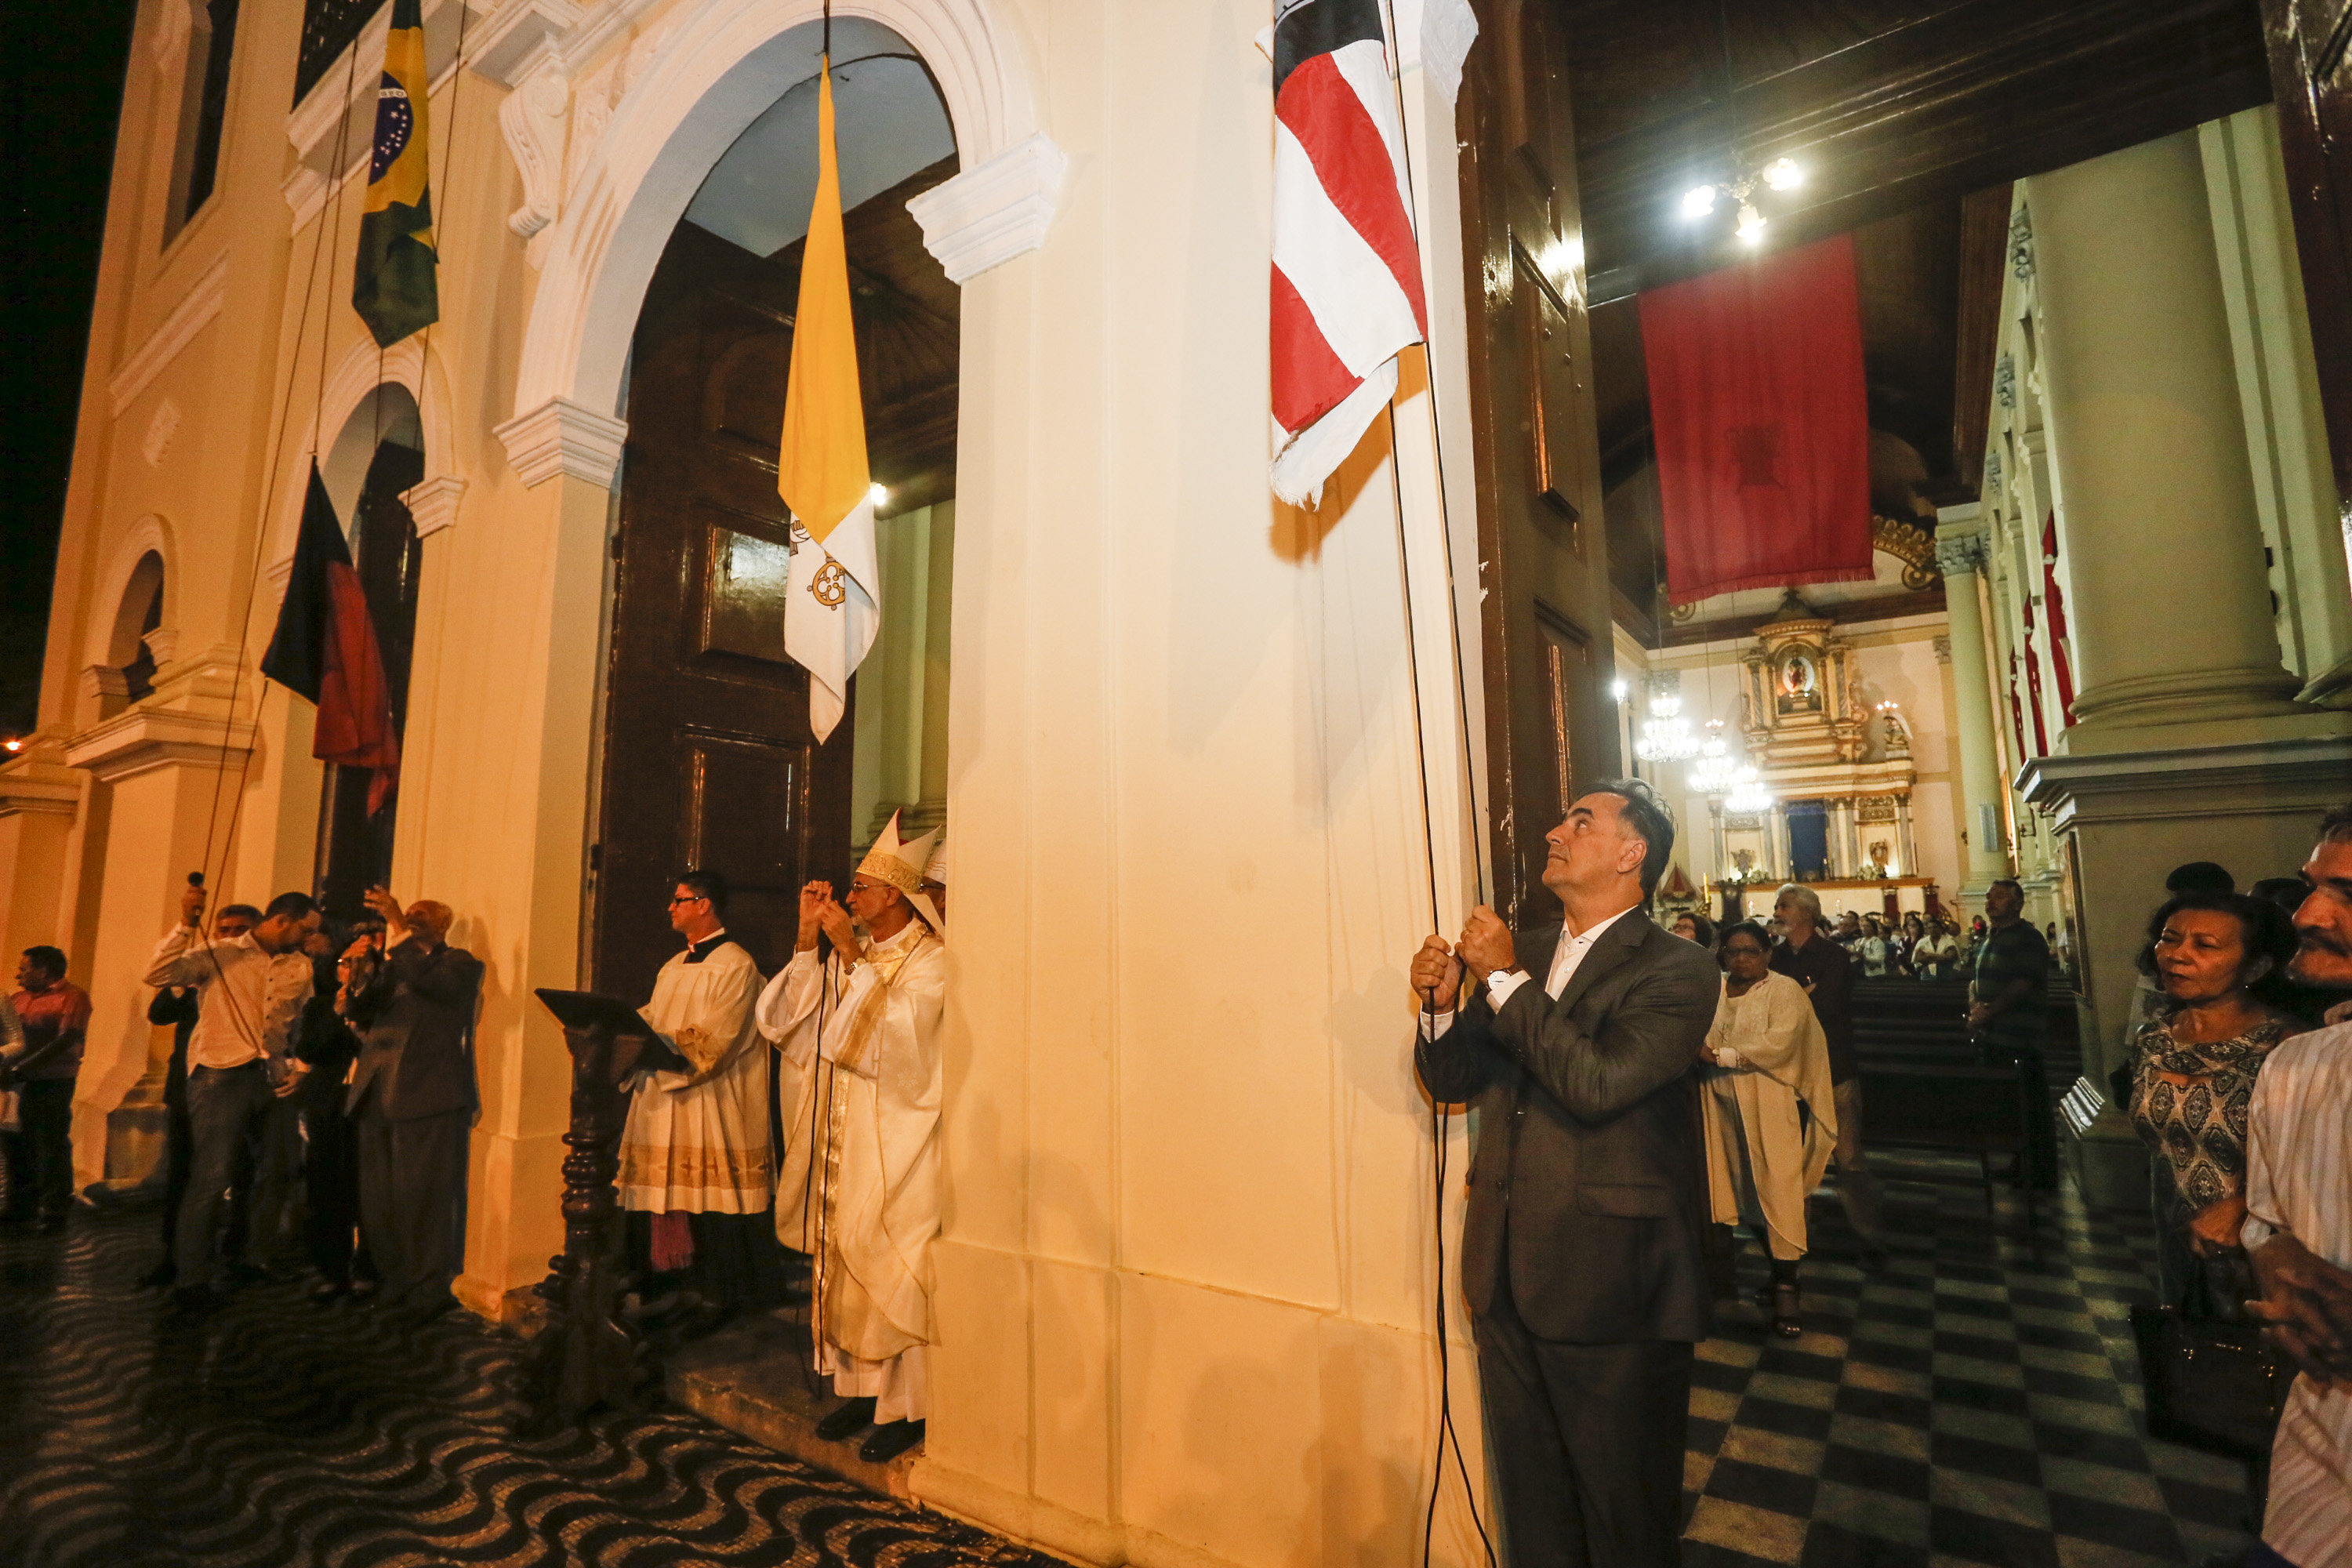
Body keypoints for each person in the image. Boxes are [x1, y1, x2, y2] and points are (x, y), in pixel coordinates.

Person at [1408, 779, 1716, 1568]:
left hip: (1613, 1283)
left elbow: (1598, 1084)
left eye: (1581, 820)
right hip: (1506, 1270)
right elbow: (1455, 1079)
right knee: (1535, 1507)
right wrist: (1442, 1004)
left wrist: (1504, 981)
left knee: (1624, 1513)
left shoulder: (1679, 969)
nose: (1555, 830)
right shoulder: (1532, 951)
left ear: (1630, 852)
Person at [757, 814, 946, 1465]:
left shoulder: (934, 962)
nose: (851, 897)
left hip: (900, 1139)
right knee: (841, 1251)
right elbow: (790, 1024)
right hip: (844, 1136)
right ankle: (861, 1393)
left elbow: (902, 1044)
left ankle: (907, 1409)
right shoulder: (854, 957)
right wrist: (811, 939)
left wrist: (854, 957)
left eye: (861, 887)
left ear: (895, 894)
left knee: (890, 1258)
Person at [2241, 805, 2352, 1567]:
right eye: (2314, 887)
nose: (2308, 914)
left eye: (2345, 893)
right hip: (2316, 1467)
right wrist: (2275, 1254)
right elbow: (2262, 1216)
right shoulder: (2296, 1067)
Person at [2121, 891, 2299, 1319]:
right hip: (2176, 1234)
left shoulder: (2286, 1045)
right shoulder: (2155, 1038)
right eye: (2171, 939)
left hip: (2264, 1241)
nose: (2178, 955)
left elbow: (2315, 1161)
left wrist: (2242, 1208)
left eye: (2205, 945)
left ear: (2255, 966)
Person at [141, 887, 319, 1309]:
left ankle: (254, 1258)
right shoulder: (221, 952)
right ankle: (192, 1279)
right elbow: (158, 974)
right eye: (307, 929)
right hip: (221, 1074)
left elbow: (301, 1023)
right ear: (283, 921)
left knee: (276, 1171)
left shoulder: (301, 966)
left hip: (273, 1077)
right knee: (211, 1176)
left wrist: (301, 1067)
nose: (311, 937)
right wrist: (186, 925)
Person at [619, 869, 776, 1328]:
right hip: (664, 1095)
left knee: (711, 1192)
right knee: (662, 1188)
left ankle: (719, 1289)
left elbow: (719, 1036)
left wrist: (661, 1049)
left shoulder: (736, 964)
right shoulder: (672, 965)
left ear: (705, 904)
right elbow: (654, 1016)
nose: (671, 907)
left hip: (708, 1096)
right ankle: (666, 1279)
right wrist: (628, 1034)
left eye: (680, 900)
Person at [339, 891, 481, 1317]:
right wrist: (356, 971)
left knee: (422, 1195)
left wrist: (398, 926)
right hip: (375, 1087)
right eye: (408, 914)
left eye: (420, 916)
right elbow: (363, 1012)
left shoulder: (458, 962)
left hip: (425, 1090)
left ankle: (427, 1287)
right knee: (379, 1196)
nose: (409, 919)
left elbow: (431, 985)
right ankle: (393, 1279)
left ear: (443, 925)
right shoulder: (395, 960)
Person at [1703, 920, 1838, 1337]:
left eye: (1750, 951)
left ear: (1768, 954)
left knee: (1778, 1192)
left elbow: (1783, 1042)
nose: (1741, 959)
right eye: (1732, 951)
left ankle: (1787, 1287)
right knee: (1740, 1191)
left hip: (1769, 1102)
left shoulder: (1784, 990)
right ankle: (1767, 1275)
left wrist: (1719, 1055)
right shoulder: (1714, 988)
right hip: (1718, 1105)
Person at [138, 905, 258, 1289]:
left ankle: (236, 1256)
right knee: (183, 1173)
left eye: (239, 929)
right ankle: (174, 1256)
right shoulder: (199, 967)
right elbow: (159, 1013)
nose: (229, 935)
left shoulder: (253, 969)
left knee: (242, 1172)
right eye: (223, 929)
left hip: (239, 1081)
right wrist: (184, 981)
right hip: (187, 1082)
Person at [1769, 882, 1883, 1264]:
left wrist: (1795, 1000)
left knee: (1848, 1158)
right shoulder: (1775, 959)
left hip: (1834, 1068)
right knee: (1790, 1160)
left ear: (1805, 913)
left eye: (1783, 906)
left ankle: (1869, 1237)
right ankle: (1796, 1238)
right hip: (1789, 1072)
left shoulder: (1835, 956)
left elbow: (1828, 1006)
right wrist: (1802, 995)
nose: (1776, 912)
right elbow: (1769, 1006)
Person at [296, 920, 376, 1301]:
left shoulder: (384, 1005)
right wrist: (338, 1015)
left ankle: (367, 1268)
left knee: (367, 1187)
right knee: (327, 1186)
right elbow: (308, 1050)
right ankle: (331, 1268)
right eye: (345, 962)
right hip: (329, 1104)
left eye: (361, 963)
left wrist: (359, 1020)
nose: (351, 970)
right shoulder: (319, 1004)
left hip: (369, 1106)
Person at [1967, 878, 2058, 1190]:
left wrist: (1988, 1012)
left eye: (2000, 896)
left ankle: (2041, 1172)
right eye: (1990, 896)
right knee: (2011, 1105)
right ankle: (2020, 1163)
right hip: (1995, 1036)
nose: (1991, 901)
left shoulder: (2029, 938)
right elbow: (1976, 980)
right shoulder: (1990, 937)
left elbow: (2024, 982)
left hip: (2021, 1036)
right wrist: (1975, 1005)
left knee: (2030, 1104)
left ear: (2018, 903)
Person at [0, 947, 93, 1235]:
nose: (19, 974)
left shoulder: (72, 997)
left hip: (53, 1079)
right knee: (15, 1142)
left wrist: (25, 1067)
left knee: (50, 1141)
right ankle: (20, 1204)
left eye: (25, 969)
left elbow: (67, 1038)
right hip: (15, 1080)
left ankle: (54, 1209)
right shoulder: (18, 999)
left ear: (44, 970)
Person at [1914, 918, 1959, 982]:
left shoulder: (1949, 942)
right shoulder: (1922, 942)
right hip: (1927, 974)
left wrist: (1929, 955)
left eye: (1935, 927)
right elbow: (1919, 958)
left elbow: (1950, 957)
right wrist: (1942, 956)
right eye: (1930, 928)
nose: (1932, 930)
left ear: (1941, 928)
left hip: (1946, 974)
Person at [1857, 914, 1892, 978]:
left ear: (1873, 929)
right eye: (1863, 926)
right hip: (1862, 973)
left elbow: (1879, 959)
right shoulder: (1860, 941)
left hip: (1875, 974)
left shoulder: (1877, 942)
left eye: (1867, 926)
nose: (1864, 928)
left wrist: (1864, 957)